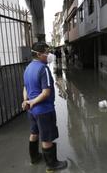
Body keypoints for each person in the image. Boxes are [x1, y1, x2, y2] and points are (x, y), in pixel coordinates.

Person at [22, 41, 67, 171]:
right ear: (40, 54)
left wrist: (26, 101)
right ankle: (52, 165)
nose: (49, 55)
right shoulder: (44, 69)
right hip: (44, 110)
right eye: (47, 52)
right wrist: (32, 102)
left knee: (34, 133)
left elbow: (25, 87)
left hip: (32, 111)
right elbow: (46, 93)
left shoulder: (28, 67)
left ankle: (34, 157)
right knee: (47, 137)